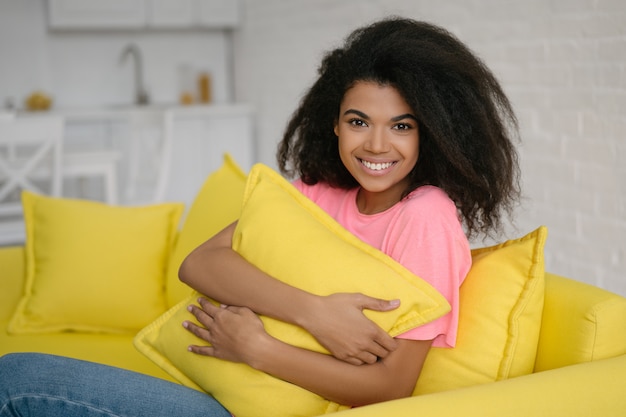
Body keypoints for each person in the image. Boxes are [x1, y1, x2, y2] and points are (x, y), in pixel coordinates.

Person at [0, 17, 520, 416]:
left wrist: (257, 349)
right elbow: (200, 263)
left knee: (15, 383)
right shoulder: (320, 192)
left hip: (257, 402)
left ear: (432, 132)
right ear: (333, 125)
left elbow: (390, 387)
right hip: (217, 383)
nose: (377, 145)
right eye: (358, 121)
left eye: (402, 126)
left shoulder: (426, 217)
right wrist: (312, 311)